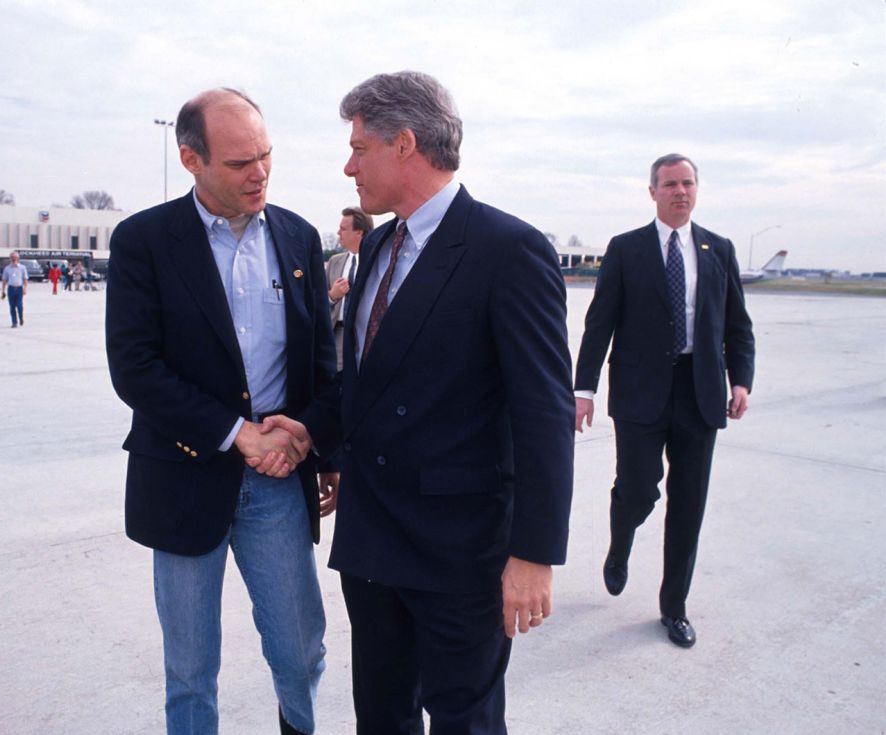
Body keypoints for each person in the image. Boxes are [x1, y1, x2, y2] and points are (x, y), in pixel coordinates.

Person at [299, 71, 573, 733]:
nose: (348, 164)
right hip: (372, 541)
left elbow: (545, 415)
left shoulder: (508, 250)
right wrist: (308, 433)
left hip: (458, 551)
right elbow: (364, 384)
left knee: (463, 719)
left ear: (405, 144)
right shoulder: (380, 248)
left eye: (359, 147)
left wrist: (534, 553)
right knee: (382, 716)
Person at [104, 88, 339, 735]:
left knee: (301, 649)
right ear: (190, 159)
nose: (259, 172)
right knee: (189, 668)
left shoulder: (297, 237)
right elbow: (136, 368)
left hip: (275, 482)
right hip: (183, 477)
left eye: (265, 155)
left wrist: (319, 444)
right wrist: (236, 433)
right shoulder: (144, 242)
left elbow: (323, 362)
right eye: (239, 163)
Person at [573, 153, 755, 648]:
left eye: (688, 183)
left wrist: (741, 380)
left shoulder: (718, 249)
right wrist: (583, 390)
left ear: (697, 190)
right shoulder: (626, 248)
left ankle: (673, 607)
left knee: (689, 504)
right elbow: (599, 323)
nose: (680, 191)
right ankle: (620, 542)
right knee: (638, 488)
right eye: (670, 184)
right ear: (652, 192)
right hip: (639, 393)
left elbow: (737, 324)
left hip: (700, 393)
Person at [325, 206, 373, 371]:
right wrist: (332, 295)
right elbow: (316, 300)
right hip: (337, 334)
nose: (338, 233)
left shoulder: (377, 260)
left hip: (365, 336)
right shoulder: (334, 261)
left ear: (359, 232)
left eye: (343, 229)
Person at [0, 251, 28, 327]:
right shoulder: (7, 268)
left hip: (19, 289)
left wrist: (25, 288)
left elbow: (25, 279)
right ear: (10, 258)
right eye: (12, 257)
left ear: (18, 258)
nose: (14, 259)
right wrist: (3, 291)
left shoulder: (22, 268)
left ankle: (21, 317)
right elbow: (4, 280)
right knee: (12, 306)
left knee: (19, 305)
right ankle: (14, 322)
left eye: (15, 257)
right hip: (11, 289)